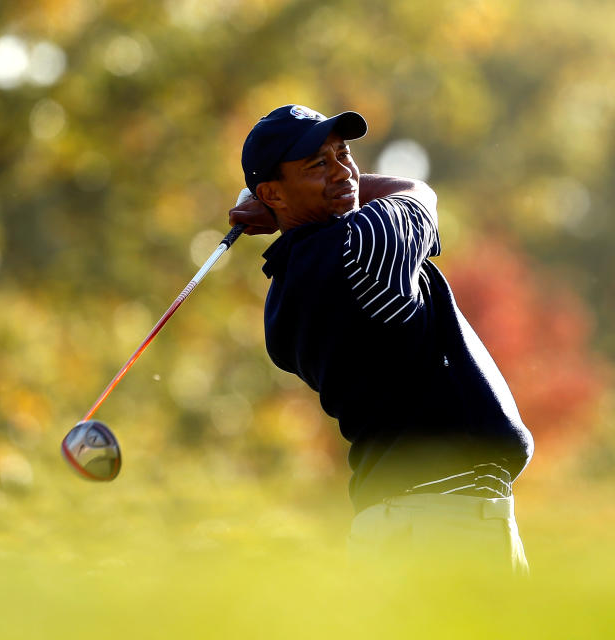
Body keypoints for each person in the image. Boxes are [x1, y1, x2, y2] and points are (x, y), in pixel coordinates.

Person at [229, 104, 534, 574]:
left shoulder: (282, 296)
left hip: (407, 520)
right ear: (272, 191)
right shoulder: (362, 245)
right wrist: (291, 201)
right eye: (317, 165)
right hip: (444, 523)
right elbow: (416, 193)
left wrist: (280, 203)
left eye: (342, 154)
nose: (343, 172)